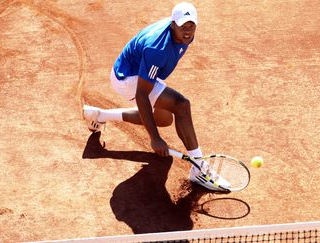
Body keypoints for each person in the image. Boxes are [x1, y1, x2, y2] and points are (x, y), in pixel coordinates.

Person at [83, 2, 228, 191]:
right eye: (183, 26)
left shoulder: (184, 35)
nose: (187, 31)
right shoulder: (157, 49)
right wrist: (155, 138)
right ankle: (199, 167)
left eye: (191, 26)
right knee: (181, 105)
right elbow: (142, 94)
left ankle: (99, 116)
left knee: (163, 118)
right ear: (172, 24)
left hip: (141, 72)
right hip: (127, 78)